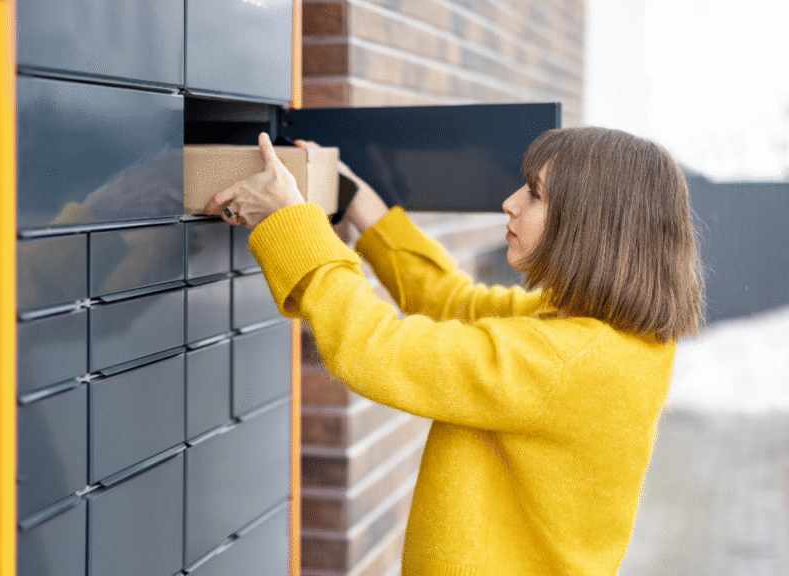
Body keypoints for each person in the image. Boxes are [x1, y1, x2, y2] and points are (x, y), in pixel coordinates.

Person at [204, 127, 704, 575]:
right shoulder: (609, 337)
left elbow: (373, 348)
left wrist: (293, 222)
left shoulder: (564, 360)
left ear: (590, 225)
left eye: (534, 195)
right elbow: (452, 302)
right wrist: (354, 198)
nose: (510, 202)